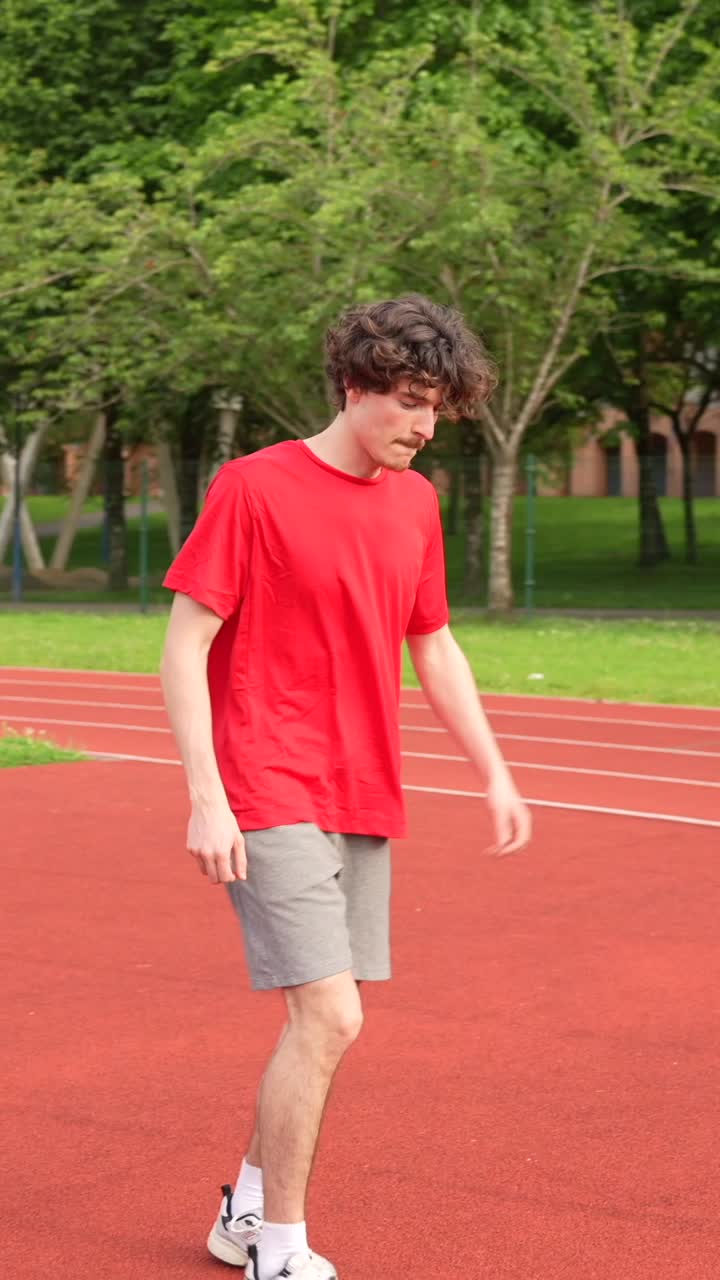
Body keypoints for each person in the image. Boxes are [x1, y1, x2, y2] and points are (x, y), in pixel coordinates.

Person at [159, 293, 531, 1280]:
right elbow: (186, 641)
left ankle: (242, 1209)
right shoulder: (254, 486)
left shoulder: (414, 502)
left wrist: (492, 769)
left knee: (326, 1025)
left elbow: (434, 643)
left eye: (438, 407)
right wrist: (206, 794)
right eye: (410, 400)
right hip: (266, 775)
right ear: (356, 385)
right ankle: (279, 1246)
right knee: (330, 1015)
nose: (424, 424)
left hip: (361, 784)